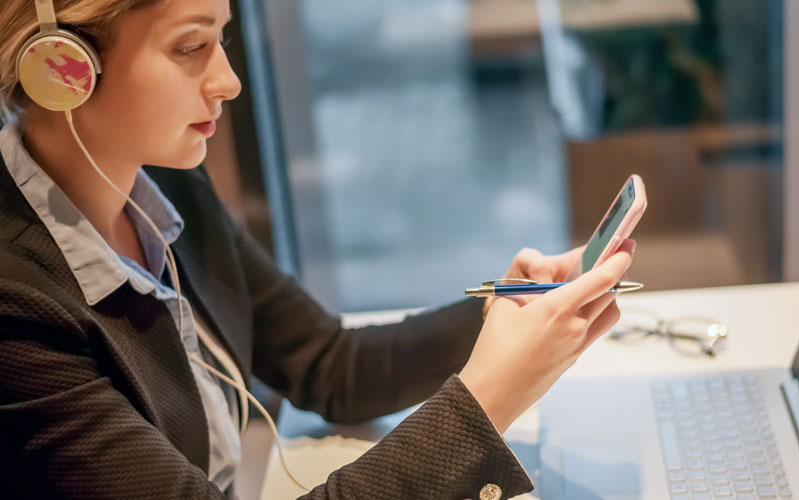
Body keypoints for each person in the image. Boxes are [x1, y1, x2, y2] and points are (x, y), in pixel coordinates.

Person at [0, 0, 635, 498]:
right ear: (63, 67)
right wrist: (490, 399)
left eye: (221, 39)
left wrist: (506, 313)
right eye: (190, 47)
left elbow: (328, 365)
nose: (228, 82)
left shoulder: (157, 181)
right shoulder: (17, 307)